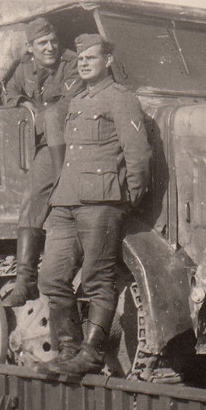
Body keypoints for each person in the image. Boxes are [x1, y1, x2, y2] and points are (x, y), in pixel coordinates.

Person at [37, 33, 152, 376]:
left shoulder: (121, 99)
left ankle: (91, 353)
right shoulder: (77, 100)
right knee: (51, 277)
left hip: (101, 202)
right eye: (81, 58)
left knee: (97, 280)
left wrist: (127, 200)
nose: (84, 63)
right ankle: (69, 349)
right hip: (66, 200)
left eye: (92, 57)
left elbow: (138, 155)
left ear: (108, 61)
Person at [2, 18, 84, 307]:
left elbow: (68, 103)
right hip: (49, 148)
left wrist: (41, 113)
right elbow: (9, 92)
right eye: (42, 43)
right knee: (32, 198)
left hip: (77, 141)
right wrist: (23, 104)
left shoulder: (71, 63)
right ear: (30, 47)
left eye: (53, 41)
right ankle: (24, 280)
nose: (50, 47)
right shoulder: (24, 70)